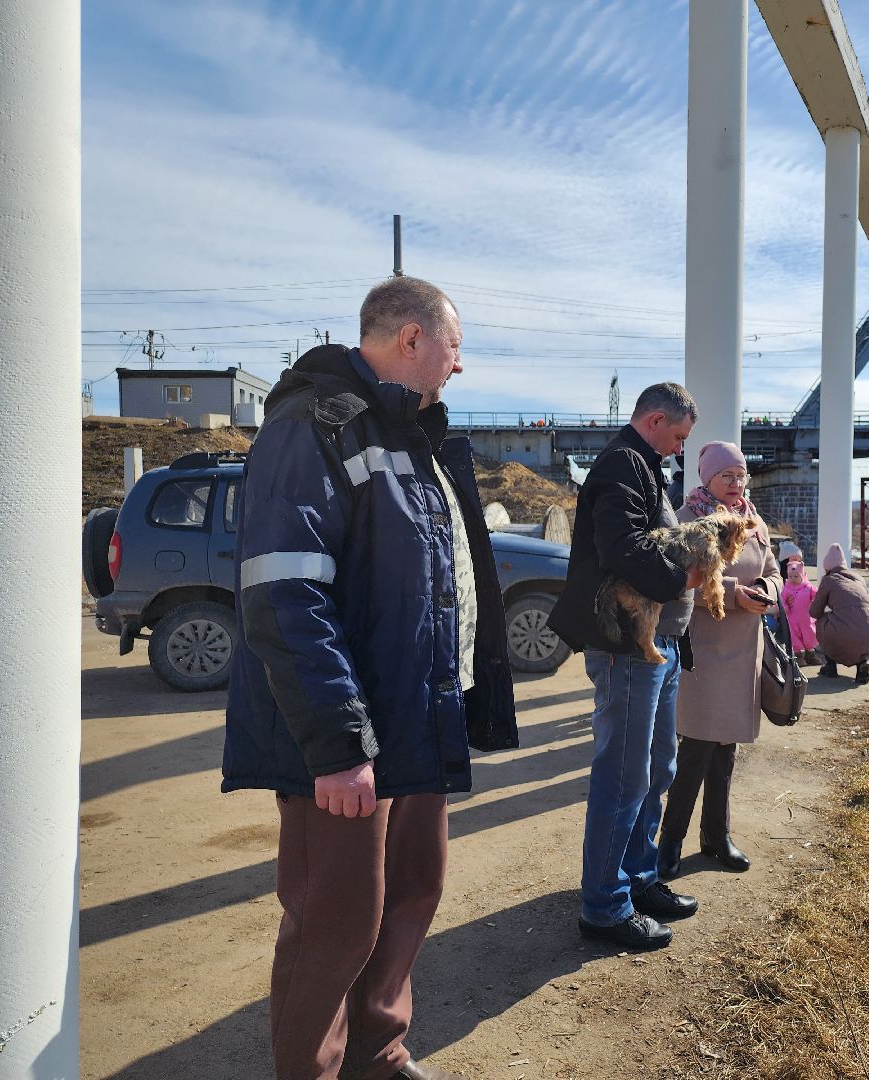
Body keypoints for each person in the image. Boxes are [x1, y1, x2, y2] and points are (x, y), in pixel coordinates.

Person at [223, 277, 516, 1080]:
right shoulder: (312, 424)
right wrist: (338, 746)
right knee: (335, 924)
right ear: (413, 339)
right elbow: (285, 592)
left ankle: (377, 1053)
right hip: (352, 739)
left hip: (415, 719)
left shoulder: (411, 435)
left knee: (414, 891)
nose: (460, 366)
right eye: (455, 346)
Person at [547, 383, 703, 952]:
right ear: (656, 419)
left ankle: (638, 878)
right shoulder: (622, 464)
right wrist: (684, 578)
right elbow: (623, 548)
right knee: (623, 775)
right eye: (679, 436)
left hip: (653, 648)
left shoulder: (642, 464)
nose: (680, 448)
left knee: (656, 767)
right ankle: (606, 905)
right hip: (625, 646)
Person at [656, 443, 781, 880]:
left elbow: (774, 570)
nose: (735, 482)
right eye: (726, 474)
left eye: (740, 474)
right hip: (705, 649)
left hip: (745, 648)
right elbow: (683, 580)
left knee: (726, 747)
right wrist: (733, 595)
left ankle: (716, 835)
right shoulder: (690, 519)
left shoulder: (753, 519)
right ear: (706, 478)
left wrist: (767, 588)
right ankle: (670, 841)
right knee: (696, 748)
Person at [811, 543, 869, 684]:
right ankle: (862, 665)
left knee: (822, 622)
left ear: (827, 568)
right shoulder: (858, 579)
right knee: (860, 624)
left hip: (845, 634)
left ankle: (830, 665)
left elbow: (814, 612)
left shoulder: (829, 580)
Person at [781, 557, 819, 666]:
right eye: (790, 576)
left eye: (796, 576)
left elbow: (816, 595)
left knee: (809, 635)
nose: (793, 578)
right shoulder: (787, 589)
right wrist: (785, 606)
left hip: (807, 619)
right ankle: (798, 656)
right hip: (793, 619)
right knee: (794, 637)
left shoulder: (808, 587)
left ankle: (810, 655)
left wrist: (817, 601)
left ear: (802, 575)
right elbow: (782, 599)